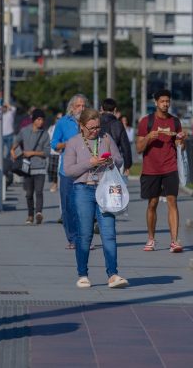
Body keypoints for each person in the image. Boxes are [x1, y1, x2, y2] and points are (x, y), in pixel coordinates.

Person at [63, 107, 128, 289]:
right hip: (83, 189)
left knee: (109, 233)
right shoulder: (73, 142)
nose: (95, 131)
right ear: (81, 126)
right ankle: (82, 274)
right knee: (85, 234)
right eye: (91, 128)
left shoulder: (106, 138)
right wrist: (89, 163)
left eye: (97, 127)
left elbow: (119, 159)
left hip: (105, 189)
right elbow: (68, 170)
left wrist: (111, 161)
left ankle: (113, 274)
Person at [136, 89, 186, 253]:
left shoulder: (175, 122)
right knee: (153, 203)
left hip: (170, 167)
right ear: (156, 102)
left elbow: (180, 147)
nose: (165, 104)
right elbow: (138, 148)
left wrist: (181, 141)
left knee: (172, 201)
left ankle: (174, 241)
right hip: (151, 169)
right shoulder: (146, 121)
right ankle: (151, 238)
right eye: (162, 101)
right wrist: (150, 136)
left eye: (167, 101)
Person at [51, 94, 88, 250]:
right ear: (72, 107)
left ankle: (85, 238)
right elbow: (54, 144)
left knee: (84, 206)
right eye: (78, 106)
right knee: (68, 206)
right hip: (67, 171)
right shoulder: (63, 123)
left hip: (86, 170)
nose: (81, 108)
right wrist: (67, 144)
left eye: (84, 105)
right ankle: (72, 238)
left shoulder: (90, 122)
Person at [11, 108, 50, 225]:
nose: (41, 122)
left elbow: (47, 152)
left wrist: (32, 153)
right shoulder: (24, 131)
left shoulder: (45, 134)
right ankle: (30, 215)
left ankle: (38, 213)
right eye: (38, 119)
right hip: (26, 168)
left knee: (39, 192)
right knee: (28, 194)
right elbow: (15, 143)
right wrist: (14, 153)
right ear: (33, 120)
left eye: (42, 119)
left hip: (40, 168)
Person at [99, 98, 132, 175]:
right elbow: (125, 146)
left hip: (97, 160)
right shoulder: (118, 124)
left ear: (102, 108)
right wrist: (127, 165)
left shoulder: (96, 122)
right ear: (115, 109)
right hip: (114, 160)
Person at [47, 112, 62, 193]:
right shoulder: (51, 128)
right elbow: (49, 139)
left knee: (59, 170)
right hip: (53, 152)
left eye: (61, 118)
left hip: (61, 153)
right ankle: (54, 183)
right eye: (58, 118)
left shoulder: (64, 127)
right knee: (52, 170)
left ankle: (57, 184)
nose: (59, 120)